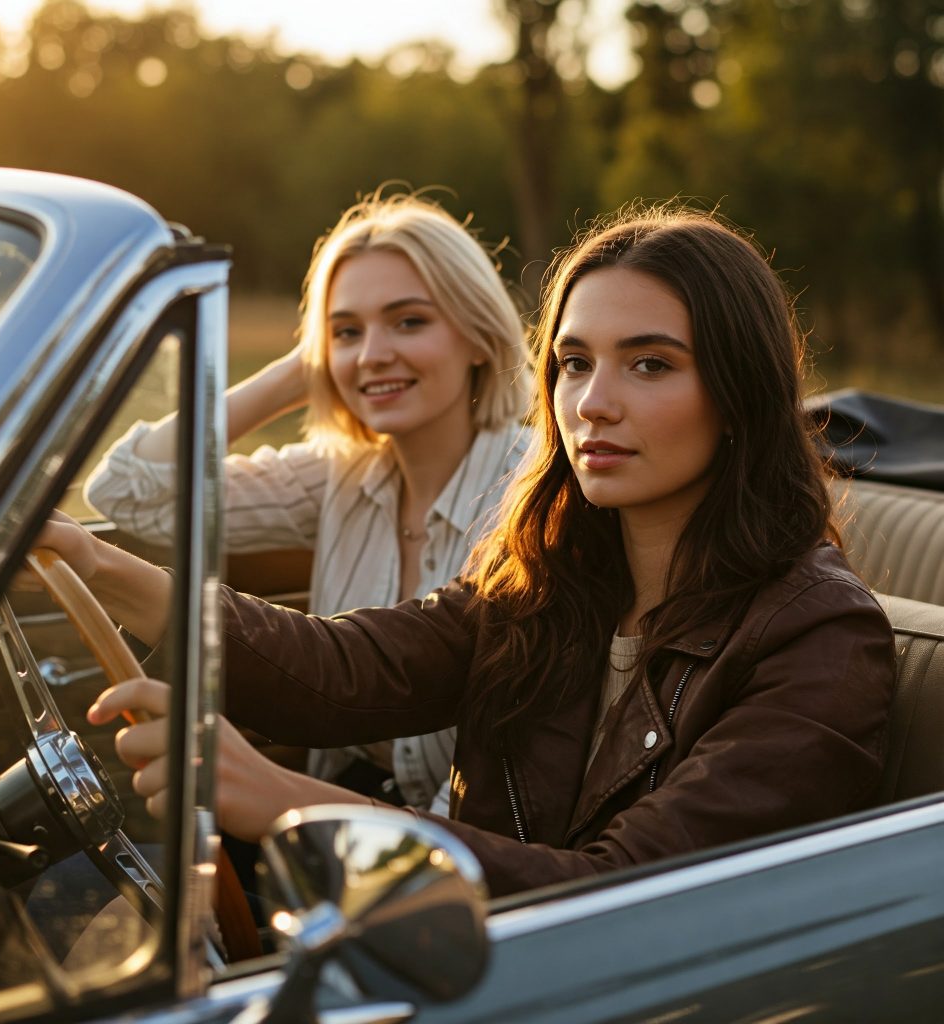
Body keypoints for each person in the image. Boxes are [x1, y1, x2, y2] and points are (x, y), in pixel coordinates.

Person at [47, 204, 896, 899]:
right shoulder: (555, 571)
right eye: (572, 362)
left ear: (740, 392)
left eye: (649, 364)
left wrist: (294, 803)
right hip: (457, 946)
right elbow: (351, 668)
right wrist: (93, 563)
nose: (591, 403)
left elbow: (620, 894)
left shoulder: (819, 637)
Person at [84, 191, 531, 814]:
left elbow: (507, 790)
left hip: (459, 835)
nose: (374, 353)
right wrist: (304, 369)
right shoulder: (338, 475)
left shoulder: (536, 489)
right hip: (331, 802)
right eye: (347, 330)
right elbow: (131, 491)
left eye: (409, 321)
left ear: (480, 336)